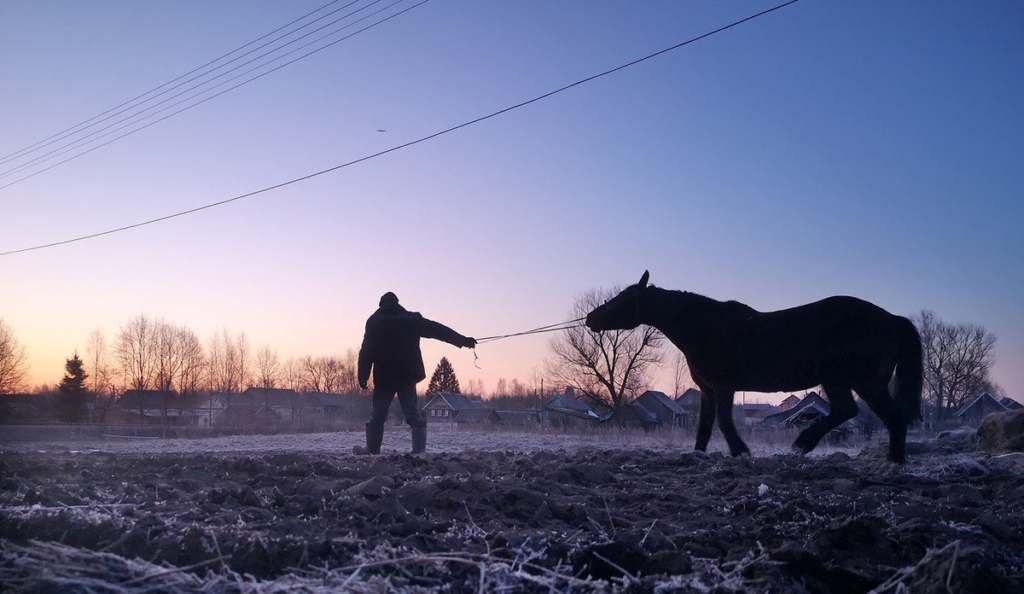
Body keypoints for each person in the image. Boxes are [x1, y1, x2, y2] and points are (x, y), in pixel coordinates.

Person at [354, 292, 476, 455]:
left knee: (378, 414)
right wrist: (462, 340)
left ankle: (372, 449)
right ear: (398, 304)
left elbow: (366, 351)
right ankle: (419, 450)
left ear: (381, 305)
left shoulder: (374, 322)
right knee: (412, 412)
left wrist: (363, 375)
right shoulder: (411, 320)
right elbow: (438, 330)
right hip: (407, 374)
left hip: (385, 375)